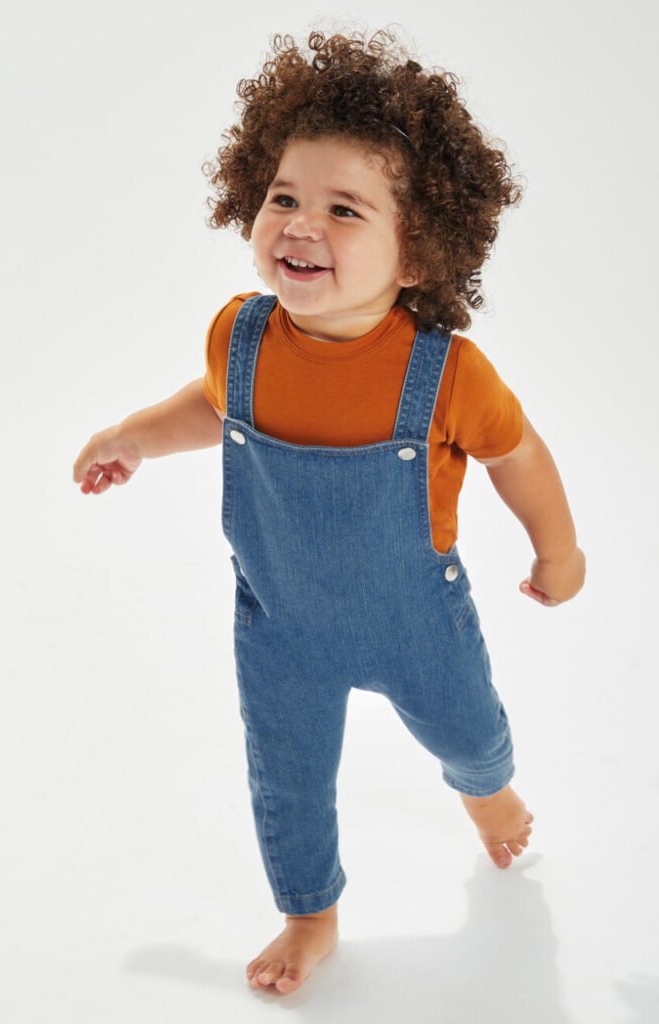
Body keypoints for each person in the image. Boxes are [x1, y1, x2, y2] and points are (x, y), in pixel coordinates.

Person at [72, 27, 586, 997]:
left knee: (472, 733)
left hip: (415, 623)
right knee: (286, 780)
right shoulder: (242, 336)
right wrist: (132, 436)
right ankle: (309, 912)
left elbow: (517, 454)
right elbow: (214, 408)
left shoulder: (447, 373)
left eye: (344, 209)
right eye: (284, 198)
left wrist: (557, 548)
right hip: (283, 627)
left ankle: (487, 792)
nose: (300, 225)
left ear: (417, 251)